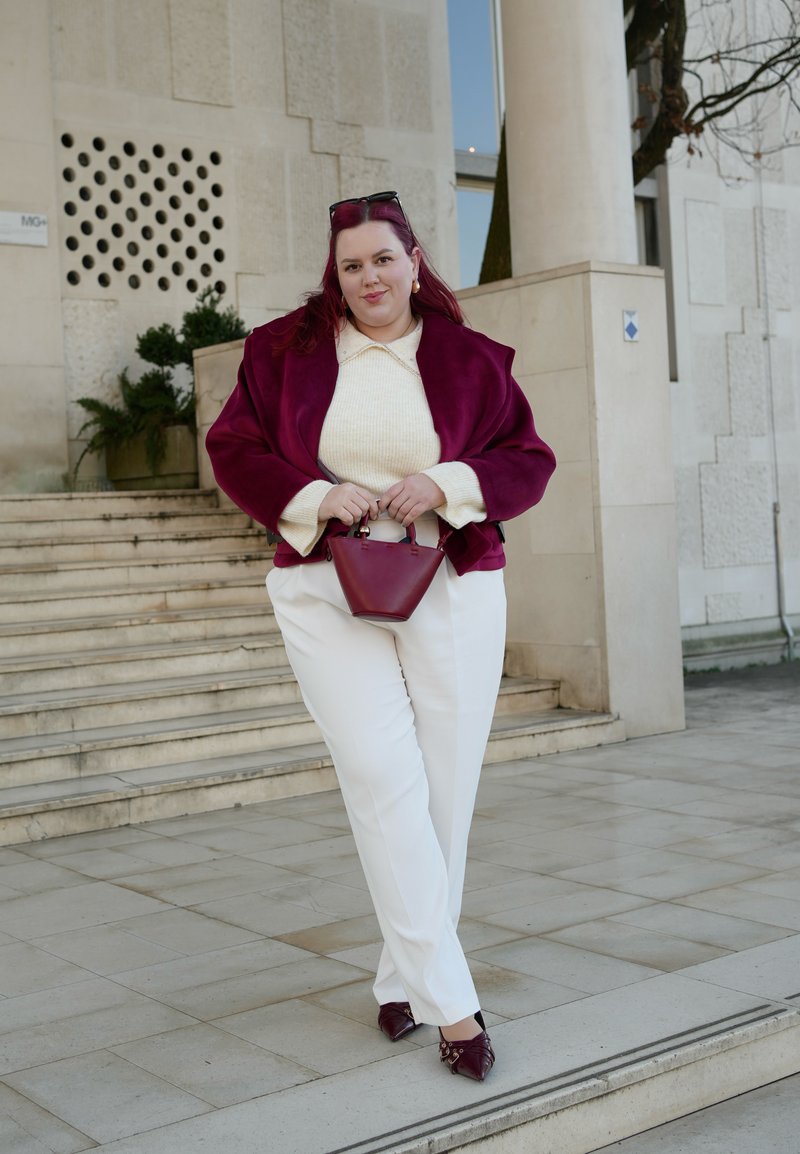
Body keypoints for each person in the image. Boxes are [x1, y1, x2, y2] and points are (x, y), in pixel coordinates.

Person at [206, 190, 556, 1082]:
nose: (370, 277)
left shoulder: (470, 359)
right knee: (379, 779)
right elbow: (236, 447)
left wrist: (447, 481)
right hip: (326, 586)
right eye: (352, 263)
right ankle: (454, 1007)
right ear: (337, 271)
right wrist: (313, 495)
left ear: (413, 259)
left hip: (452, 584)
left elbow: (527, 458)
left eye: (383, 259)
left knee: (443, 797)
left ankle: (400, 975)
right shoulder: (281, 351)